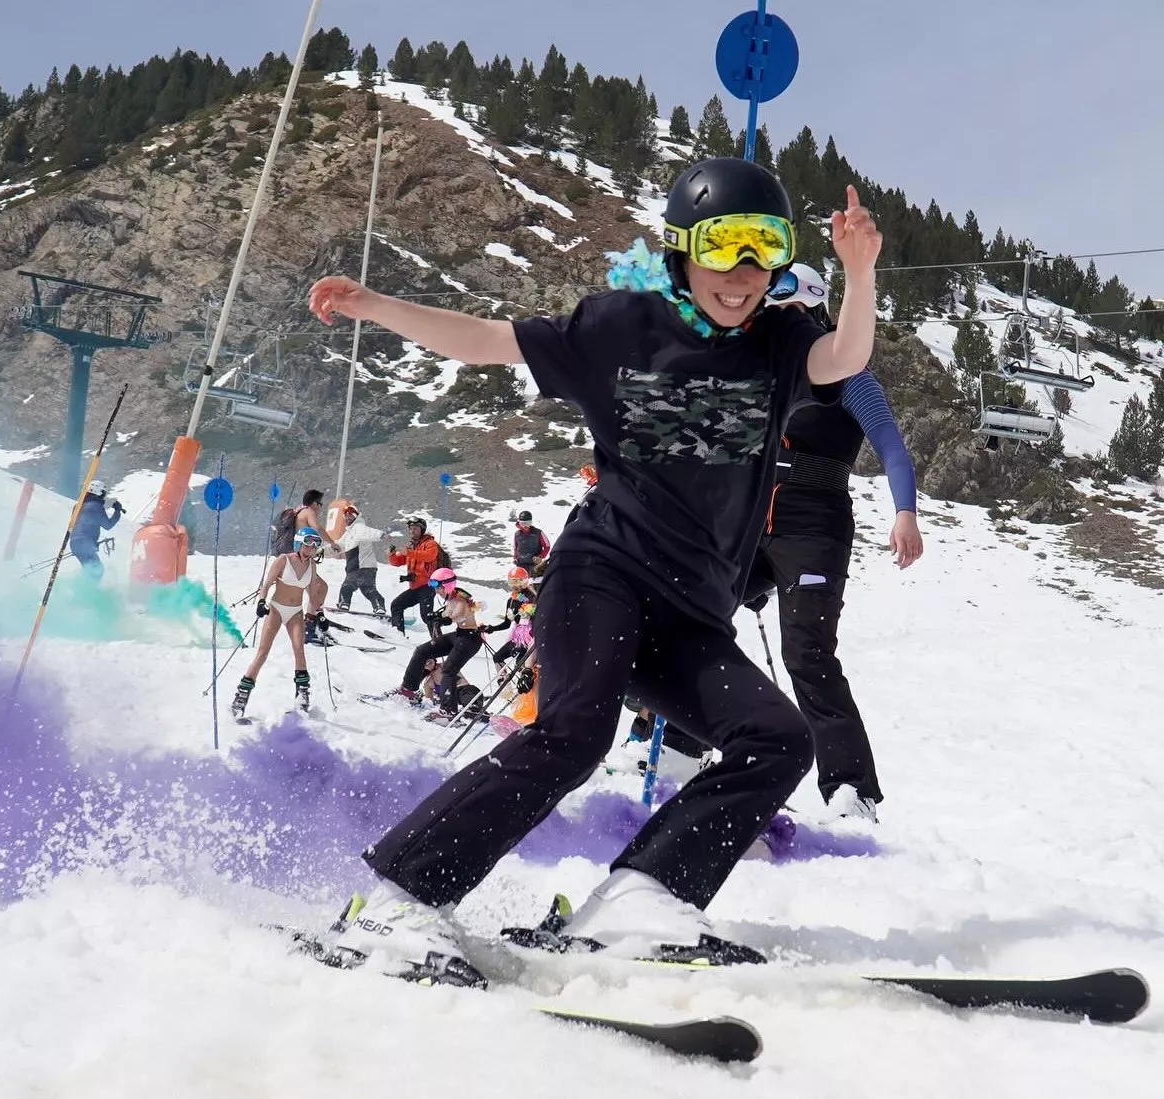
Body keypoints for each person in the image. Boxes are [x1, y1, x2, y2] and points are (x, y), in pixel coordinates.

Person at [307, 156, 881, 983]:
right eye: (724, 246)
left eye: (765, 248)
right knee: (576, 731)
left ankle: (641, 900)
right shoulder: (618, 328)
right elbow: (487, 342)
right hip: (601, 575)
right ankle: (396, 900)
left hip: (691, 615)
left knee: (777, 739)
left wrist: (859, 271)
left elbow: (846, 357)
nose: (744, 271)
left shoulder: (781, 345)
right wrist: (374, 305)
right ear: (683, 250)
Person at [750, 260, 924, 821]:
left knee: (807, 653)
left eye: (791, 311)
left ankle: (852, 791)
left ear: (816, 310)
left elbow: (891, 446)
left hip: (815, 531)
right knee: (688, 616)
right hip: (752, 527)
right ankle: (682, 747)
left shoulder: (850, 377)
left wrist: (905, 512)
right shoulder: (763, 376)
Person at [232, 527, 330, 717]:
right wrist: (261, 602)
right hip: (276, 609)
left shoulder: (312, 565)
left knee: (299, 651)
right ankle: (241, 697)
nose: (310, 549)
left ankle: (302, 697)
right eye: (307, 544)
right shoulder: (283, 560)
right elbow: (267, 584)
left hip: (295, 612)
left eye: (314, 546)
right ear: (299, 543)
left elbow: (313, 593)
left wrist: (320, 614)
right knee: (262, 653)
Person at [393, 568, 485, 719]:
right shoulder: (451, 598)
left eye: (438, 588)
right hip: (459, 635)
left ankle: (448, 711)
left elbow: (456, 615)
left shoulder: (460, 600)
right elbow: (446, 612)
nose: (436, 591)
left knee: (448, 670)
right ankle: (408, 689)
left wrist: (445, 619)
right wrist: (436, 615)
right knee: (422, 651)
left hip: (470, 640)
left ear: (447, 586)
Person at [330, 503, 388, 616]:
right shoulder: (349, 534)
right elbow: (337, 547)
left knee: (347, 586)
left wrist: (380, 535)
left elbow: (368, 532)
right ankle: (379, 607)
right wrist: (321, 551)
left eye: (350, 515)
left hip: (359, 567)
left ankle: (343, 604)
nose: (347, 517)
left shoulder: (358, 527)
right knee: (369, 589)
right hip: (369, 568)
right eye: (346, 516)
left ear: (356, 516)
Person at [386, 517, 441, 636]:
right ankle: (398, 635)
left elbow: (429, 556)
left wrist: (410, 553)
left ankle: (439, 641)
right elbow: (398, 562)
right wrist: (392, 555)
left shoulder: (430, 544)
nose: (412, 531)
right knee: (396, 605)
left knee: (426, 616)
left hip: (427, 587)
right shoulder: (412, 546)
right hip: (415, 588)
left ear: (422, 530)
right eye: (410, 529)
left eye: (415, 528)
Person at [72, 481, 125, 579]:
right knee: (97, 570)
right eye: (103, 493)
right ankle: (85, 586)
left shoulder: (80, 505)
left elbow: (81, 524)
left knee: (90, 569)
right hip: (84, 543)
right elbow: (107, 525)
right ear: (98, 492)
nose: (104, 496)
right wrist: (117, 511)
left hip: (76, 542)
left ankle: (82, 584)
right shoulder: (95, 506)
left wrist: (90, 542)